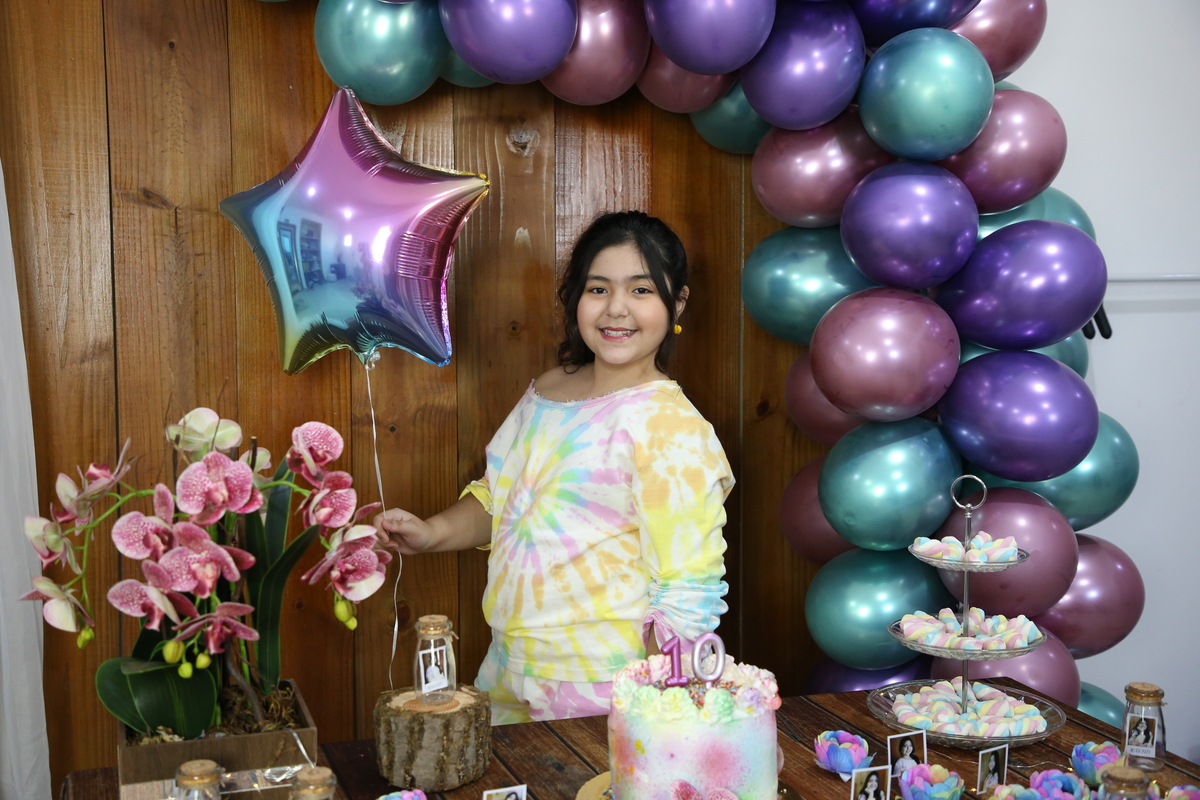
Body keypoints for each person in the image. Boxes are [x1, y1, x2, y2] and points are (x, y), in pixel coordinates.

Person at [377, 212, 734, 725]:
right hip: (509, 664)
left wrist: (662, 710)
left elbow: (688, 590)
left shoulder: (670, 426)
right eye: (598, 288)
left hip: (606, 685)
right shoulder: (547, 390)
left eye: (640, 290)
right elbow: (501, 498)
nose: (616, 308)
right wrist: (430, 533)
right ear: (576, 298)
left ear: (676, 303)